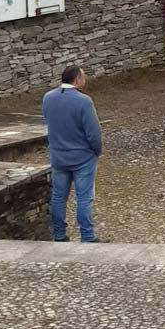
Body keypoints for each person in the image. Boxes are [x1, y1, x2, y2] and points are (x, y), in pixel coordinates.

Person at [42, 62, 102, 242]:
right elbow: (93, 132)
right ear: (77, 79)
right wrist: (96, 151)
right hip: (82, 157)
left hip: (58, 156)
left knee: (59, 197)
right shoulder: (83, 101)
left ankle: (59, 234)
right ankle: (87, 236)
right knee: (84, 197)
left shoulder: (48, 98)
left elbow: (48, 121)